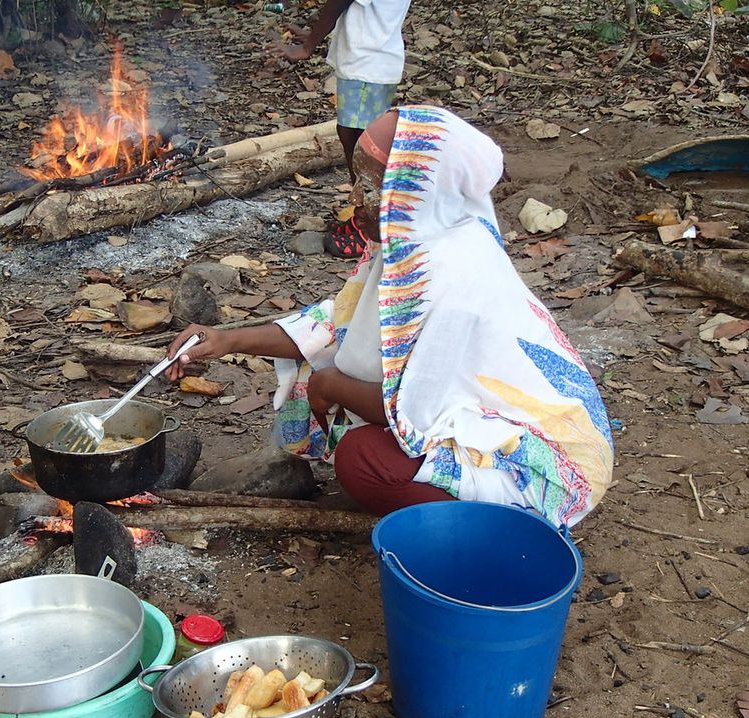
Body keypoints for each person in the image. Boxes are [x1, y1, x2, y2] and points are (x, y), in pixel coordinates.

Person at [166, 106, 614, 528]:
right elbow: (336, 321)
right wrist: (227, 341)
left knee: (363, 461)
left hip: (541, 468)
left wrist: (330, 385)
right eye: (355, 180)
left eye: (370, 185)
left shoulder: (454, 277)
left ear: (417, 191)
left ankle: (497, 535)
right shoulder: (413, 242)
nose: (354, 197)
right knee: (339, 396)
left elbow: (416, 414)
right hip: (480, 425)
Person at [268, 0, 414, 259]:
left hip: (367, 63)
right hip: (372, 59)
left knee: (362, 144)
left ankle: (368, 224)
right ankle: (369, 215)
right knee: (355, 136)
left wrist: (308, 45)